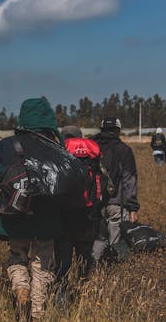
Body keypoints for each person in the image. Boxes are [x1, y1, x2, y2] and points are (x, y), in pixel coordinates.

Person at [0, 97, 65, 321]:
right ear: (48, 118)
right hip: (46, 216)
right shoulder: (55, 147)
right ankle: (38, 312)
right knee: (43, 262)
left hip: (13, 214)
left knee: (18, 257)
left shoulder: (5, 145)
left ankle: (21, 290)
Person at [54, 125, 98, 304]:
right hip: (87, 217)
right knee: (84, 258)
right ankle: (84, 295)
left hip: (64, 218)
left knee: (63, 262)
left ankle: (61, 299)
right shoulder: (92, 155)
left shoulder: (57, 153)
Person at [91, 117, 140, 262]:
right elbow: (129, 179)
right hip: (116, 203)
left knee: (98, 239)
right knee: (116, 241)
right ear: (118, 130)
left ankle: (94, 270)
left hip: (94, 202)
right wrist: (132, 208)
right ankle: (115, 273)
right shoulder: (124, 150)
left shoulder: (91, 147)